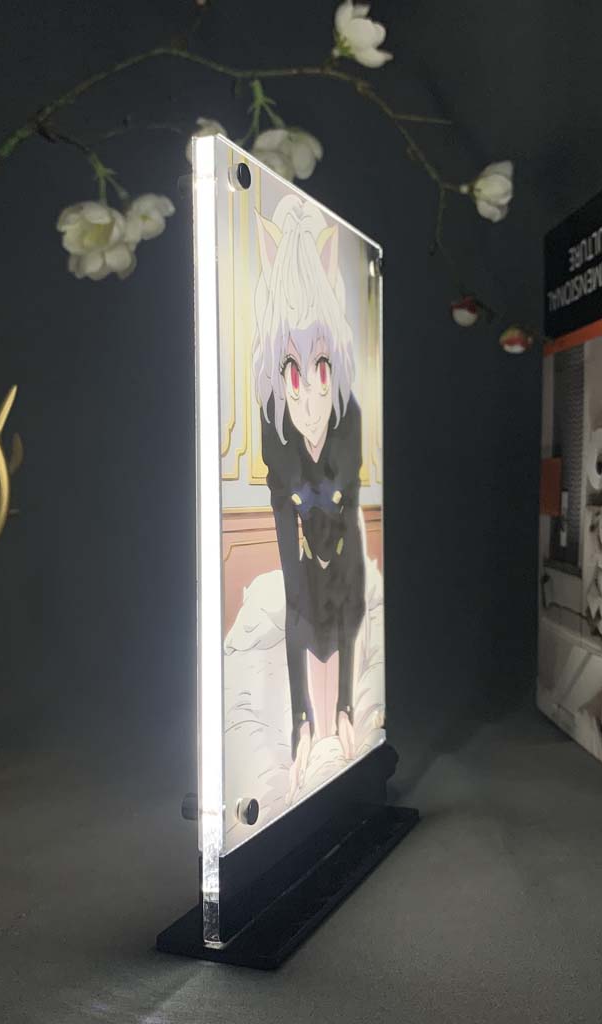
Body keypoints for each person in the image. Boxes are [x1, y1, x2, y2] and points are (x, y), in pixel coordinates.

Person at [252, 194, 367, 805]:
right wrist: (301, 497)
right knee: (300, 602)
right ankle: (305, 723)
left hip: (338, 510)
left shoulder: (345, 396)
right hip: (295, 510)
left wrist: (332, 496)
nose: (308, 392)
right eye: (293, 374)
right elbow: (278, 458)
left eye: (319, 367)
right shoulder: (273, 402)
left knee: (348, 600)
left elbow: (348, 445)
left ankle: (342, 709)